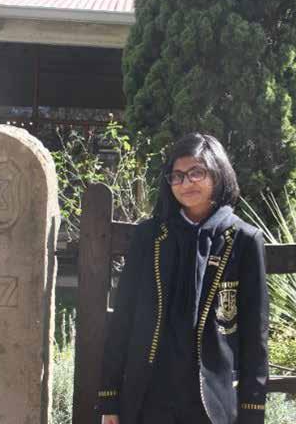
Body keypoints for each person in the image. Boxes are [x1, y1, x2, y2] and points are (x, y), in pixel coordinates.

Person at [96, 132, 269, 424]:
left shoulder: (243, 240)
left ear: (218, 173)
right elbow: (123, 317)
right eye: (177, 176)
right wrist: (109, 398)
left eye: (196, 173)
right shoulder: (149, 236)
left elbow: (256, 334)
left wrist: (252, 411)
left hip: (211, 402)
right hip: (148, 396)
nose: (186, 183)